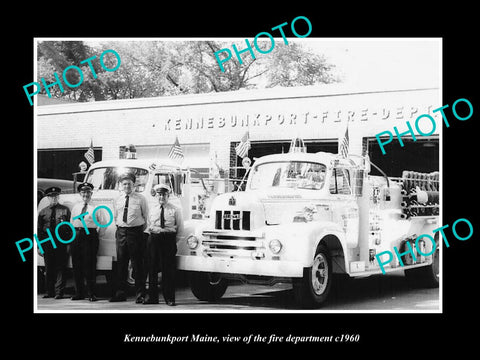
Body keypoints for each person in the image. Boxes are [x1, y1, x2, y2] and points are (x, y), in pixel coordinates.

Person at [110, 172, 148, 303]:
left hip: (135, 233)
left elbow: (146, 217)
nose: (127, 186)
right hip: (121, 232)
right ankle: (120, 294)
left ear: (134, 184)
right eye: (124, 184)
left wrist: (140, 232)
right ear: (121, 185)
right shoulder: (118, 199)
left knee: (137, 264)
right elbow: (116, 216)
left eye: (129, 184)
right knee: (121, 264)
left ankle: (140, 294)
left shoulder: (140, 199)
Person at [144, 184, 183, 306]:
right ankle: (152, 297)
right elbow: (149, 223)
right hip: (154, 239)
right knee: (152, 269)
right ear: (156, 196)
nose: (161, 197)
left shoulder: (175, 210)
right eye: (159, 195)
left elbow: (180, 229)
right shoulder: (152, 209)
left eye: (164, 195)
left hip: (168, 240)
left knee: (168, 270)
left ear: (168, 195)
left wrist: (172, 242)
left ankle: (169, 298)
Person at [70, 182, 106, 301]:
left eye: (88, 192)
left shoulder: (97, 207)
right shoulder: (76, 207)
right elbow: (71, 222)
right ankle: (79, 293)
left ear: (92, 193)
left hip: (90, 236)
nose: (86, 194)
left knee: (89, 265)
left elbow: (103, 223)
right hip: (77, 235)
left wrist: (95, 235)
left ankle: (91, 293)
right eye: (83, 192)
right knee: (77, 265)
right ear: (80, 194)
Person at [37, 186, 71, 299]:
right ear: (48, 198)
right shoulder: (43, 212)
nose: (54, 198)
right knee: (49, 267)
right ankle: (50, 291)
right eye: (51, 197)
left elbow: (69, 229)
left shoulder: (65, 210)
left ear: (58, 197)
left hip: (61, 241)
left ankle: (59, 292)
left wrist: (68, 244)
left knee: (61, 267)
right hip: (47, 242)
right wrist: (39, 246)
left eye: (56, 196)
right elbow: (39, 230)